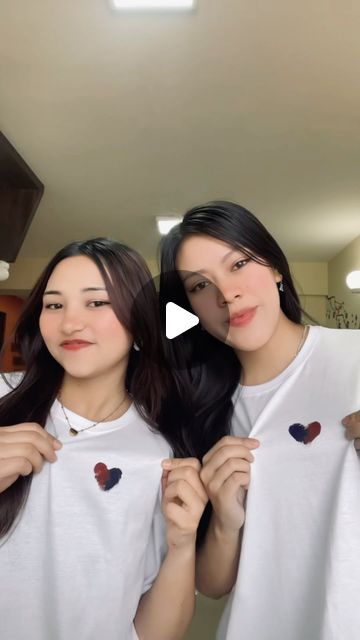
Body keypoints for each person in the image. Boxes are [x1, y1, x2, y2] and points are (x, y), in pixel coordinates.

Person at [159, 201, 360, 640]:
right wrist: (228, 521)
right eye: (198, 285)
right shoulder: (203, 410)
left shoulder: (355, 358)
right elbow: (212, 586)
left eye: (239, 263)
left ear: (275, 268)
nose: (226, 294)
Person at [0, 238, 207, 640]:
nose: (70, 323)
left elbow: (153, 633)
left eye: (97, 303)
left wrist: (182, 545)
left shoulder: (162, 455)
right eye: (54, 304)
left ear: (140, 325)